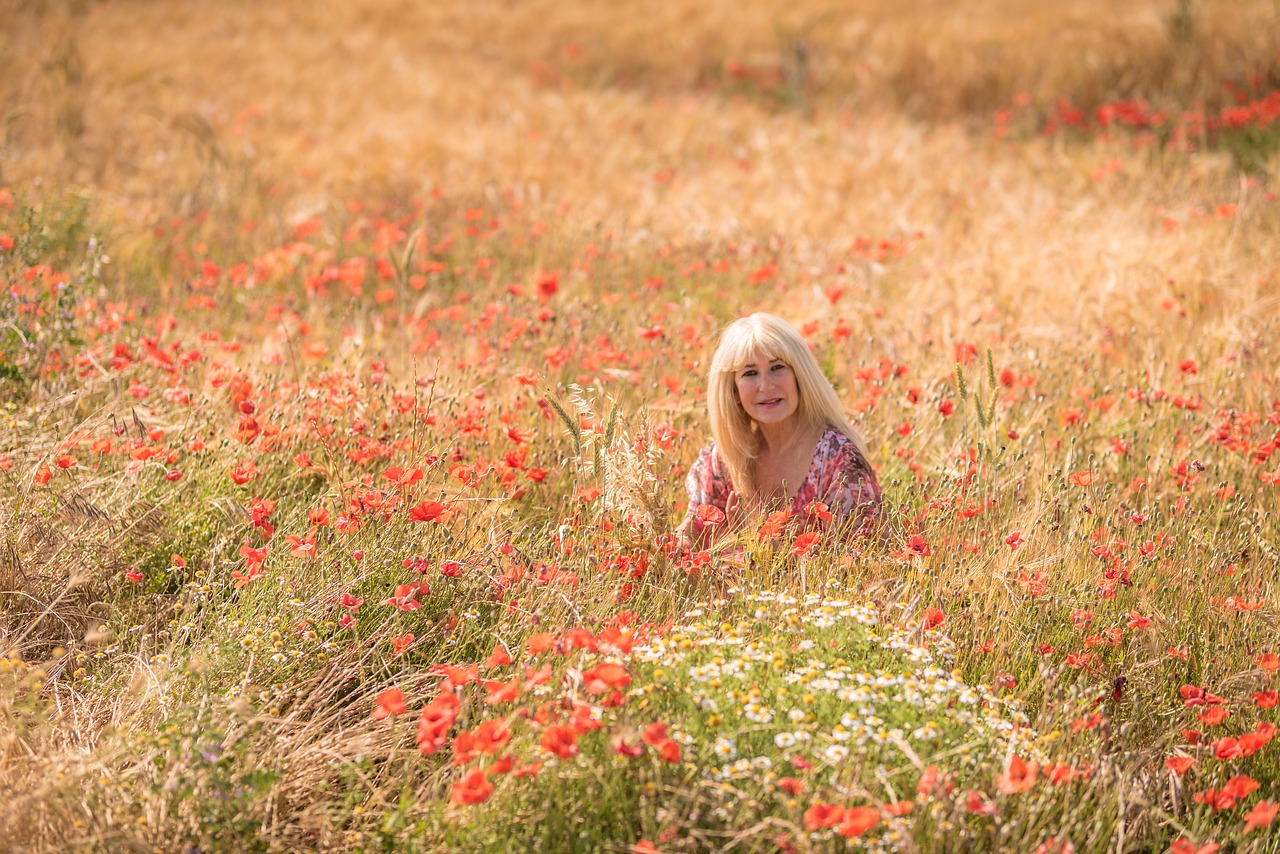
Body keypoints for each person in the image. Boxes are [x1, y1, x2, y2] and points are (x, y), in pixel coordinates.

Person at [676, 313, 881, 549]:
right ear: (733, 390)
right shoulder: (721, 461)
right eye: (750, 373)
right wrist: (674, 545)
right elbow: (693, 530)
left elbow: (863, 560)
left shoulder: (838, 461)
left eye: (777, 367)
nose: (766, 385)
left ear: (800, 376)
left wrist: (758, 546)